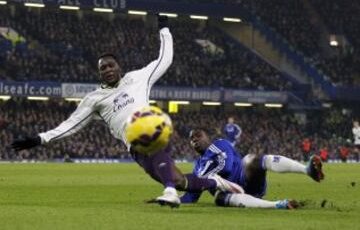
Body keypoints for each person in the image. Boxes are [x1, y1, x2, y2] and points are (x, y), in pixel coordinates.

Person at [10, 15, 242, 208]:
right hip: (135, 148)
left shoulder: (138, 78)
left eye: (111, 65)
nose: (108, 70)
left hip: (153, 126)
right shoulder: (94, 98)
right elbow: (71, 124)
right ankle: (215, 184)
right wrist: (40, 139)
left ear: (119, 66)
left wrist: (164, 29)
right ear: (99, 73)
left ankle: (170, 192)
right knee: (179, 179)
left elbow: (165, 59)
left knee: (160, 162)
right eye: (103, 68)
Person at [181, 128, 325, 209]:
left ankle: (307, 170)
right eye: (192, 138)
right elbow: (191, 196)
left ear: (207, 137)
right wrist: (172, 198)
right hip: (230, 194)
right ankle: (278, 205)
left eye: (198, 135)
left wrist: (204, 178)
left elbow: (226, 167)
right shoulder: (198, 166)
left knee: (251, 159)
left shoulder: (219, 144)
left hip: (245, 177)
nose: (195, 139)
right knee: (218, 199)